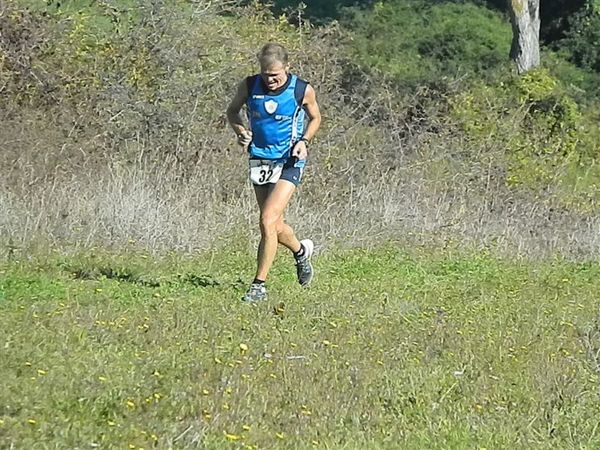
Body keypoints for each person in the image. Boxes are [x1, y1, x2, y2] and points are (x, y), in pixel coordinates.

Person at [226, 43, 322, 302]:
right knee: (275, 225)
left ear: (287, 68)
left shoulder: (302, 89)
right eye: (266, 75)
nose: (271, 80)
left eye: (276, 75)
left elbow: (316, 118)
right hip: (260, 159)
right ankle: (301, 252)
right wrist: (241, 132)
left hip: (290, 160)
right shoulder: (249, 86)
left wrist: (305, 141)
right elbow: (232, 112)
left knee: (267, 220)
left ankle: (258, 286)